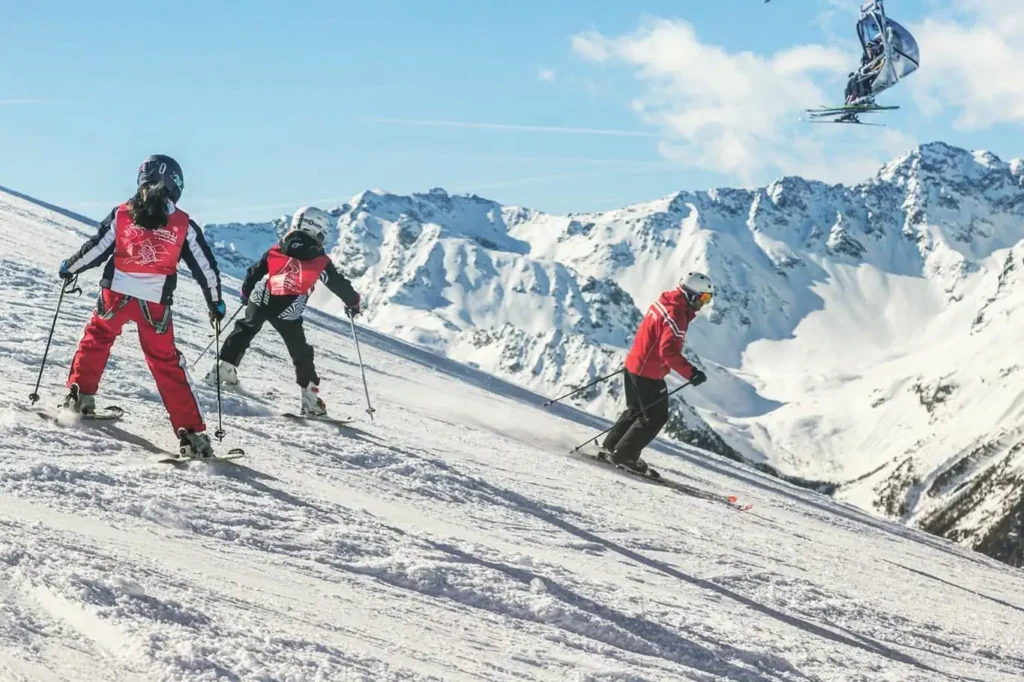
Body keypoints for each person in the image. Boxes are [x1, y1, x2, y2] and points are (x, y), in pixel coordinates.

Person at [58, 154, 226, 457]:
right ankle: (192, 436)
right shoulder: (184, 225)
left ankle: (79, 396)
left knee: (97, 337)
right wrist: (215, 303)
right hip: (155, 303)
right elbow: (206, 269)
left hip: (115, 295)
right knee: (165, 362)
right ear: (176, 185)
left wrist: (70, 267)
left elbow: (97, 248)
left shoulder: (122, 213)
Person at [204, 206, 361, 417]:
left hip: (261, 297)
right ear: (317, 229)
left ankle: (223, 370)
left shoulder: (278, 247)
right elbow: (338, 284)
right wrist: (353, 302)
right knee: (300, 351)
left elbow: (254, 271)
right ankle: (310, 399)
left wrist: (246, 292)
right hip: (288, 307)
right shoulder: (320, 260)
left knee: (244, 329)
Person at [599, 272, 712, 474]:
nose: (704, 303)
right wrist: (691, 373)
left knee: (635, 411)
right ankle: (624, 456)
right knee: (655, 417)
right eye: (703, 297)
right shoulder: (677, 315)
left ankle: (610, 447)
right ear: (690, 294)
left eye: (708, 298)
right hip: (648, 373)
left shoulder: (665, 302)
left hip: (634, 365)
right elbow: (668, 352)